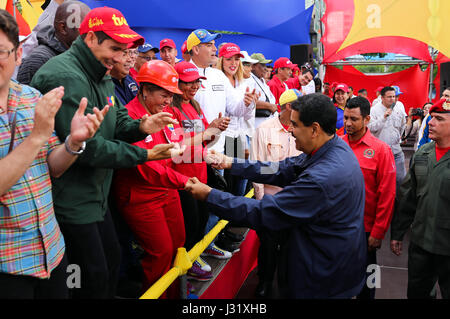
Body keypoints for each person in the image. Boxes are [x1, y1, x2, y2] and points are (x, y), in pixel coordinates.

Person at [30, 7, 184, 299]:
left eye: (123, 49)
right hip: (69, 202)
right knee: (89, 279)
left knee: (110, 266)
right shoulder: (66, 76)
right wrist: (145, 155)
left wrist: (143, 125)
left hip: (95, 196)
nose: (120, 56)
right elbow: (87, 148)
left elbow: (114, 121)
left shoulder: (100, 71)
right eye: (114, 48)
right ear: (90, 39)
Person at [187, 93, 367, 298]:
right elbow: (279, 169)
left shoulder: (321, 179)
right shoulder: (331, 148)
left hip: (321, 278)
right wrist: (232, 163)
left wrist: (210, 195)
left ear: (315, 129)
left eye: (295, 125)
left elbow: (264, 212)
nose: (290, 131)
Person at [0, 8, 107, 299]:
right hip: (8, 266)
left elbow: (53, 167)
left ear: (18, 54)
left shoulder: (32, 98)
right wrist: (36, 137)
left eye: (1, 51)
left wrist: (74, 142)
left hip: (51, 249)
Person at [186, 29, 257, 259]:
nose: (214, 49)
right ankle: (193, 254)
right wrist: (205, 132)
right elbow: (182, 112)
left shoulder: (217, 77)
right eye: (210, 45)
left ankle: (208, 244)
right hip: (192, 152)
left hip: (217, 151)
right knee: (194, 208)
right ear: (196, 49)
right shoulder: (183, 73)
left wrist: (247, 103)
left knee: (215, 199)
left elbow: (235, 109)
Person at [170, 61, 230, 281]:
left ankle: (195, 257)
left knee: (201, 219)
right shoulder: (170, 108)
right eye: (188, 82)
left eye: (196, 81)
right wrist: (206, 134)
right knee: (190, 224)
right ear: (176, 82)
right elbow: (176, 147)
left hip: (200, 173)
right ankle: (186, 267)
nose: (194, 86)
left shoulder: (194, 105)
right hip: (182, 178)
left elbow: (205, 142)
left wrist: (215, 128)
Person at [390, 97, 450, 299]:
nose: (430, 122)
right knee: (417, 293)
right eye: (431, 117)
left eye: (439, 119)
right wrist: (398, 233)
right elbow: (408, 196)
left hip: (447, 246)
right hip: (421, 243)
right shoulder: (423, 154)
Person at [342, 97, 397, 299]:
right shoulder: (336, 145)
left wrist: (379, 231)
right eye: (346, 117)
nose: (348, 123)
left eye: (354, 119)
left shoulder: (382, 150)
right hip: (339, 226)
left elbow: (387, 194)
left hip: (366, 230)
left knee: (369, 279)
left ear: (366, 119)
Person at [251, 88, 302, 298]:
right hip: (271, 201)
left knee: (292, 246)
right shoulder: (264, 130)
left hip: (296, 201)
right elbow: (256, 165)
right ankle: (265, 282)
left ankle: (286, 283)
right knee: (268, 247)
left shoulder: (304, 129)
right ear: (289, 107)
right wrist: (262, 200)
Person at [17, 1, 90, 85]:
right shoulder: (38, 61)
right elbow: (25, 96)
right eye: (84, 29)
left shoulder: (81, 55)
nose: (90, 35)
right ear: (63, 28)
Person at [368, 86, 407, 193]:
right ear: (382, 97)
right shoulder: (374, 110)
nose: (392, 99)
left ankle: (398, 205)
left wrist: (400, 137)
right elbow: (370, 128)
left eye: (394, 96)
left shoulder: (398, 108)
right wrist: (383, 118)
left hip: (396, 150)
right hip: (381, 153)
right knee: (382, 182)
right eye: (389, 97)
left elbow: (402, 125)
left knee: (401, 179)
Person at [249, 52, 278, 129]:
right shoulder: (249, 80)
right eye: (262, 65)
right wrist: (269, 106)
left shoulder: (262, 80)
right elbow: (249, 102)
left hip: (266, 124)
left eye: (265, 65)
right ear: (253, 66)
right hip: (256, 126)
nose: (265, 68)